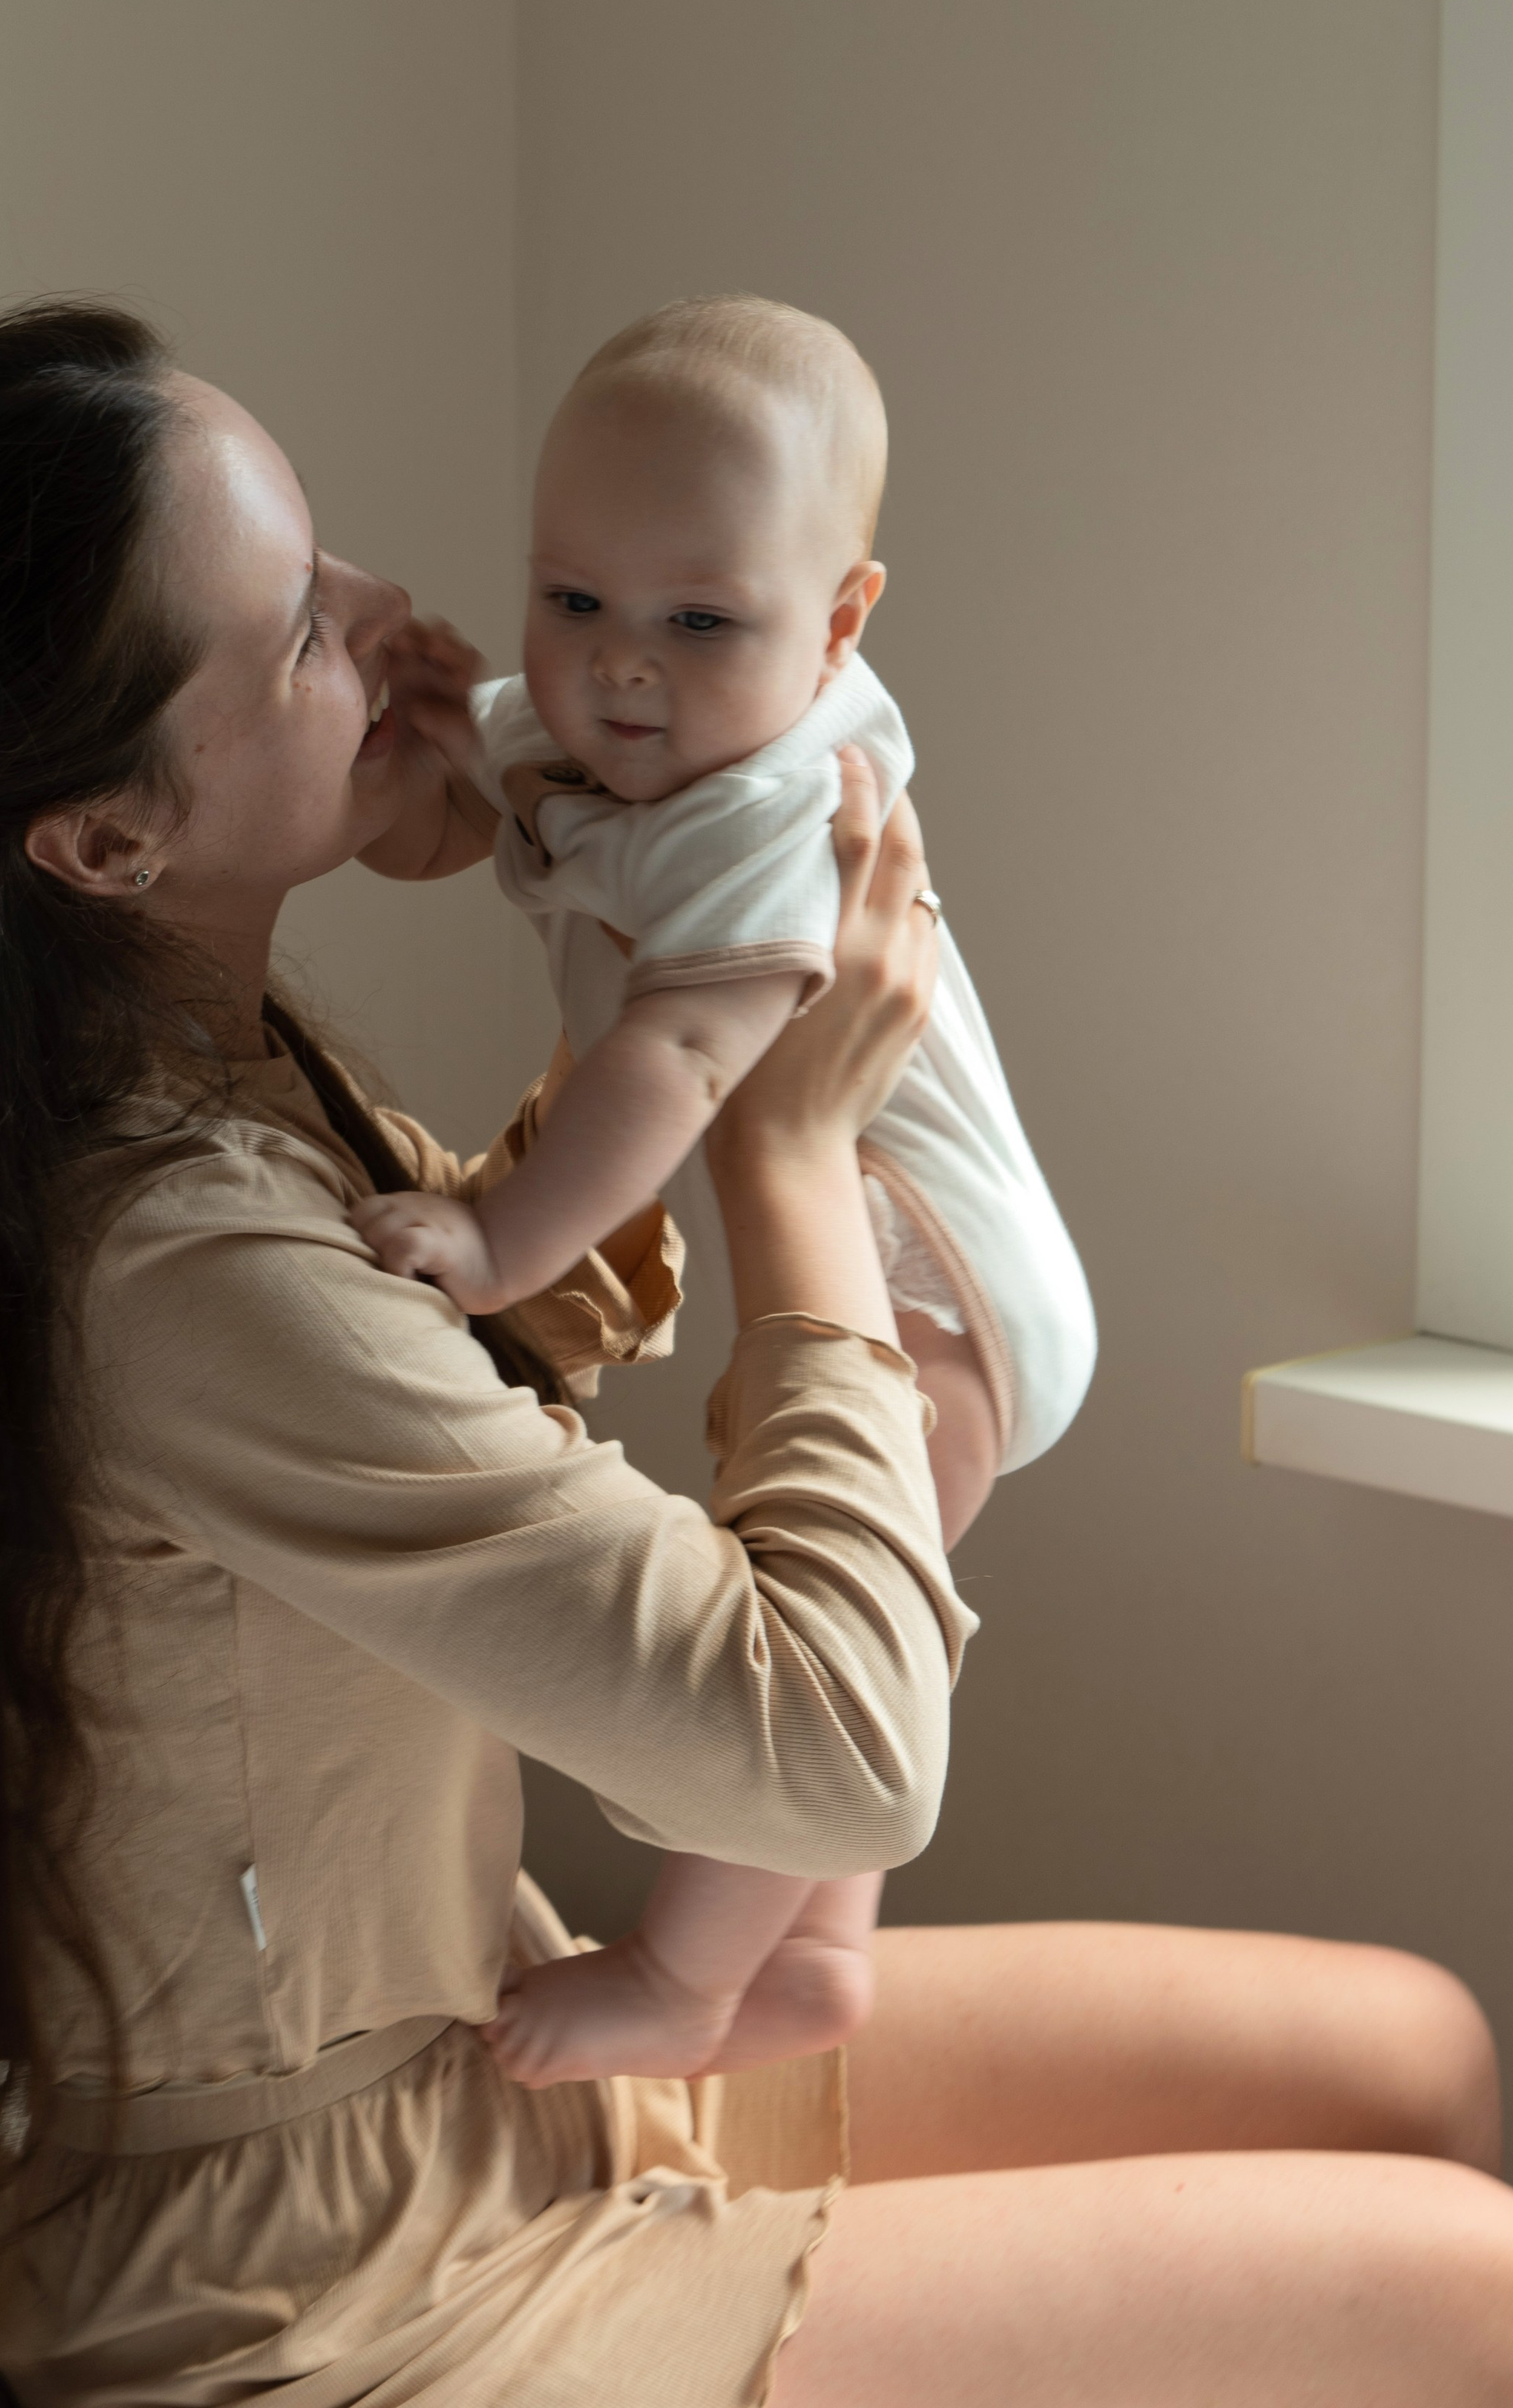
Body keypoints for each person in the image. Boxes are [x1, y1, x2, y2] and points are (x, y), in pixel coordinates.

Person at [0, 305, 1513, 2408]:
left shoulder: (162, 1054)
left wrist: (607, 942)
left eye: (333, 558)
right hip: (315, 2268)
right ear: (104, 840)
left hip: (469, 2055)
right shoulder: (166, 1256)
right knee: (1492, 2293)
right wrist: (790, 1159)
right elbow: (843, 1752)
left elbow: (494, 1330)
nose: (397, 620)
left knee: (1411, 2057)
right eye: (306, 637)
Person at [354, 295, 1096, 2092]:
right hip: (870, 1261)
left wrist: (496, 1239)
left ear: (837, 620)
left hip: (934, 1296)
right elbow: (480, 828)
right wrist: (416, 753)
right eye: (573, 599)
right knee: (861, 1614)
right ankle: (819, 1949)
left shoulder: (774, 804)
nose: (619, 668)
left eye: (698, 620)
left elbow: (679, 1065)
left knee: (809, 1648)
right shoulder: (611, 728)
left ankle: (687, 1979)